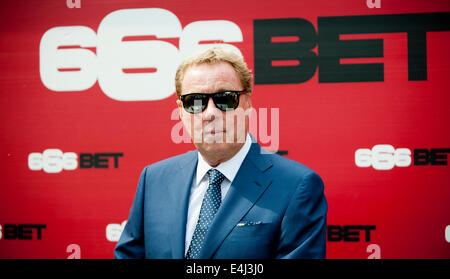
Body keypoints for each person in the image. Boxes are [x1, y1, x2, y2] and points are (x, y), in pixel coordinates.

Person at [114, 46, 327, 259]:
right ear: (180, 111)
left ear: (248, 102)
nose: (210, 113)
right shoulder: (154, 180)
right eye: (195, 101)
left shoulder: (297, 185)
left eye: (225, 99)